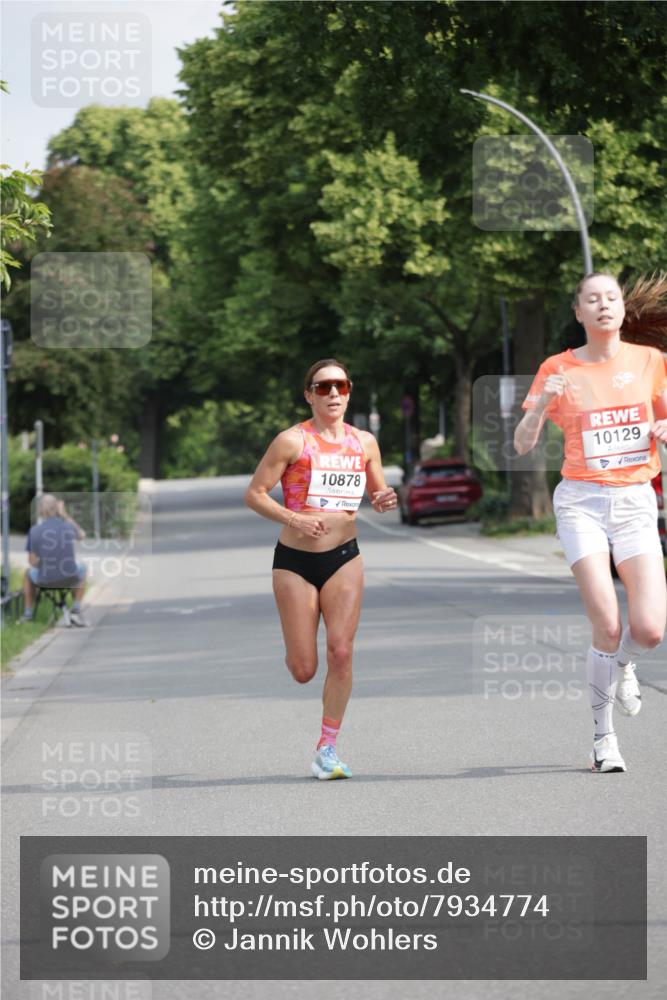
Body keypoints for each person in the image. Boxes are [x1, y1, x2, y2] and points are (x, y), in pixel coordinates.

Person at [515, 272, 667, 772]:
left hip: (634, 501)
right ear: (578, 313)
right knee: (607, 622)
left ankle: (623, 663)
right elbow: (521, 443)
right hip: (581, 501)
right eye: (592, 299)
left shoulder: (651, 363)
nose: (604, 305)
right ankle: (604, 739)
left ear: (623, 309)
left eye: (611, 297)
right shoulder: (556, 367)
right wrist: (539, 403)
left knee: (648, 631)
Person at [245, 358, 398, 779]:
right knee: (303, 670)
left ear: (349, 392)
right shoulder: (291, 442)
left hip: (344, 556)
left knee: (342, 652)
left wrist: (384, 499)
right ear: (309, 395)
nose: (334, 394)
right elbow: (255, 494)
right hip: (295, 562)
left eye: (341, 386)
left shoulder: (364, 442)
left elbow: (378, 490)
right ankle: (297, 644)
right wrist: (293, 518)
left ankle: (327, 747)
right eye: (324, 387)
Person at [23, 494, 88, 627]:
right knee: (83, 568)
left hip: (45, 579)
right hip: (70, 578)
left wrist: (44, 563)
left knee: (27, 573)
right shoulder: (68, 526)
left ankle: (28, 614)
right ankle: (76, 608)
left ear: (41, 510)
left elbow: (32, 561)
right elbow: (82, 535)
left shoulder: (35, 530)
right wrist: (64, 514)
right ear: (57, 508)